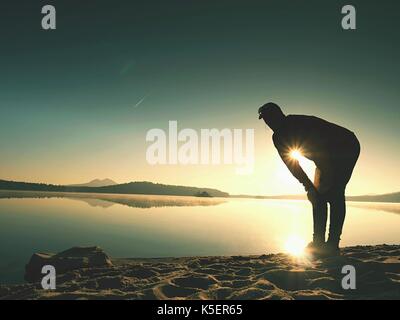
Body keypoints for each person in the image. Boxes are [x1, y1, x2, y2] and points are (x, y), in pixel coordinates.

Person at [258, 102, 360, 256]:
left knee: (335, 192)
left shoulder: (298, 123)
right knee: (317, 196)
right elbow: (292, 164)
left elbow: (323, 149)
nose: (268, 122)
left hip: (346, 145)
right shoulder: (278, 137)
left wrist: (324, 183)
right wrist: (308, 186)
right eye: (265, 119)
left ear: (279, 114)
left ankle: (332, 244)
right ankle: (318, 241)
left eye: (270, 117)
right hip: (323, 157)